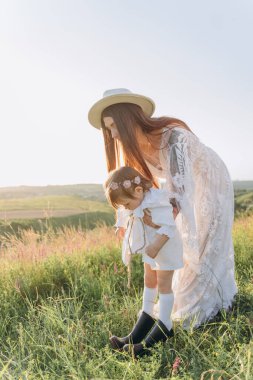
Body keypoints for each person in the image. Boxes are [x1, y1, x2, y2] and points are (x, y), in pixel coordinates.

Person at [88, 88, 237, 333]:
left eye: (114, 126)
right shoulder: (133, 150)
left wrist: (161, 230)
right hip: (182, 190)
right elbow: (144, 194)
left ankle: (213, 301)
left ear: (128, 119)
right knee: (183, 245)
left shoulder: (172, 136)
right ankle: (182, 302)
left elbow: (178, 195)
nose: (112, 135)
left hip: (210, 179)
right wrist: (130, 224)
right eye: (108, 129)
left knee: (206, 242)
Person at [103, 166, 184, 357]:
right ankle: (146, 317)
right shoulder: (135, 200)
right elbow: (126, 213)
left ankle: (165, 324)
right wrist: (121, 226)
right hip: (150, 246)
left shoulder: (156, 200)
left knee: (164, 284)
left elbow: (169, 226)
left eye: (126, 203)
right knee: (149, 279)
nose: (126, 207)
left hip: (164, 246)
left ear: (138, 190)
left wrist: (156, 246)